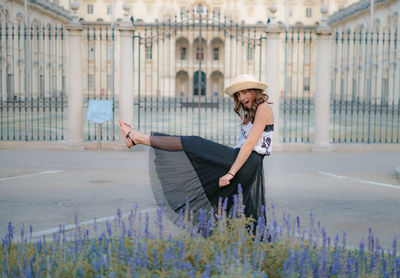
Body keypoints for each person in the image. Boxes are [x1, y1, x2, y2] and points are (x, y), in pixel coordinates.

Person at [119, 74, 274, 234]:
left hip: (247, 161)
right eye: (238, 95)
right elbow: (244, 143)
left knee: (194, 143)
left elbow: (249, 145)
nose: (241, 98)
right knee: (220, 203)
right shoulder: (253, 111)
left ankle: (138, 138)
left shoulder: (263, 108)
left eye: (244, 93)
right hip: (244, 160)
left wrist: (230, 172)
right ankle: (230, 244)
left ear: (255, 91)